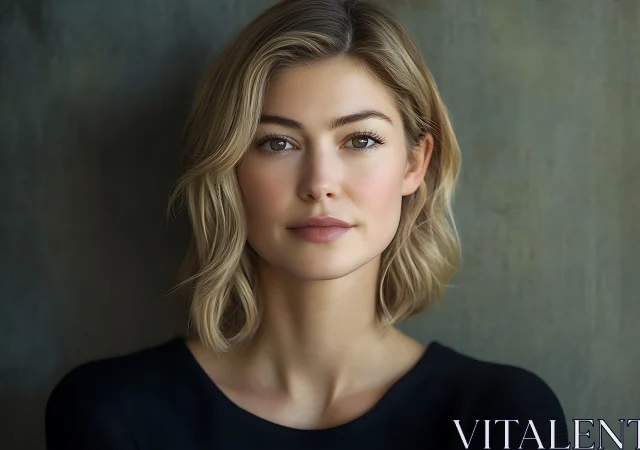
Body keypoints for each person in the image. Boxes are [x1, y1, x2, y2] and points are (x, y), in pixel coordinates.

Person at [45, 0, 569, 449]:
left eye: (360, 140)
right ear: (229, 165)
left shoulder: (505, 414)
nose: (320, 182)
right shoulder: (111, 411)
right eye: (277, 142)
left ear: (415, 163)